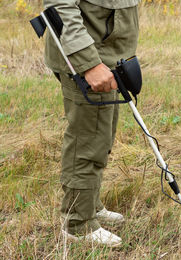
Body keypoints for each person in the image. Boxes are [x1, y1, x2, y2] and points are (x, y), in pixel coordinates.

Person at [43, 0, 140, 247]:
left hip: (107, 56)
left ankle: (90, 205)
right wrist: (89, 64)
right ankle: (78, 223)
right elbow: (60, 6)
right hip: (88, 60)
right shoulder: (89, 62)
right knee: (88, 141)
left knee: (102, 136)